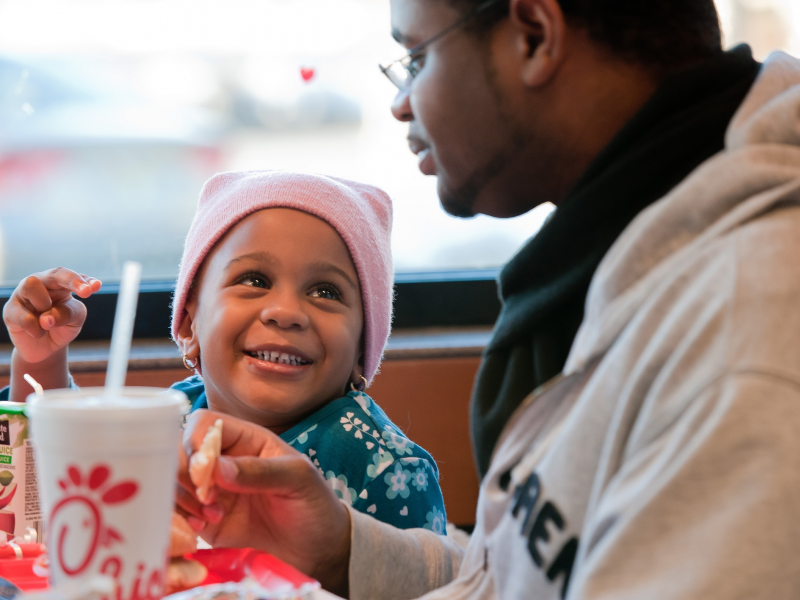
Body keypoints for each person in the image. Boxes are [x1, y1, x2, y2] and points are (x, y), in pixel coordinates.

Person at [176, 0, 800, 597]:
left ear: (534, 35)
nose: (400, 102)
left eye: (418, 57)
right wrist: (341, 552)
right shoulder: (625, 252)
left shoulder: (747, 345)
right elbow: (524, 579)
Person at [2, 170, 447, 531]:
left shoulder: (387, 471)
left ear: (362, 351)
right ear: (189, 325)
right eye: (255, 280)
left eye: (326, 292)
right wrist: (40, 358)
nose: (286, 312)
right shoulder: (167, 420)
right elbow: (56, 475)